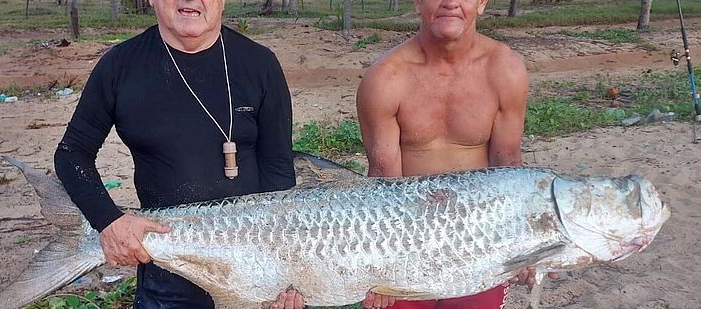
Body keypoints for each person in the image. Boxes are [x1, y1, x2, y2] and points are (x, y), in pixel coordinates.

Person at [53, 0, 304, 307]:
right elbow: (71, 153)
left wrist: (284, 275)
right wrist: (108, 220)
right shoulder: (120, 66)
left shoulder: (260, 64)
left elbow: (279, 172)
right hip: (166, 275)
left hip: (252, 269)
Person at [355, 0, 556, 308]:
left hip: (481, 240)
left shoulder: (505, 69)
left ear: (482, 3)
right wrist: (379, 267)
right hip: (405, 243)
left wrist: (525, 244)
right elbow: (383, 187)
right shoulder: (384, 78)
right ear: (417, 2)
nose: (450, 2)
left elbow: (508, 168)